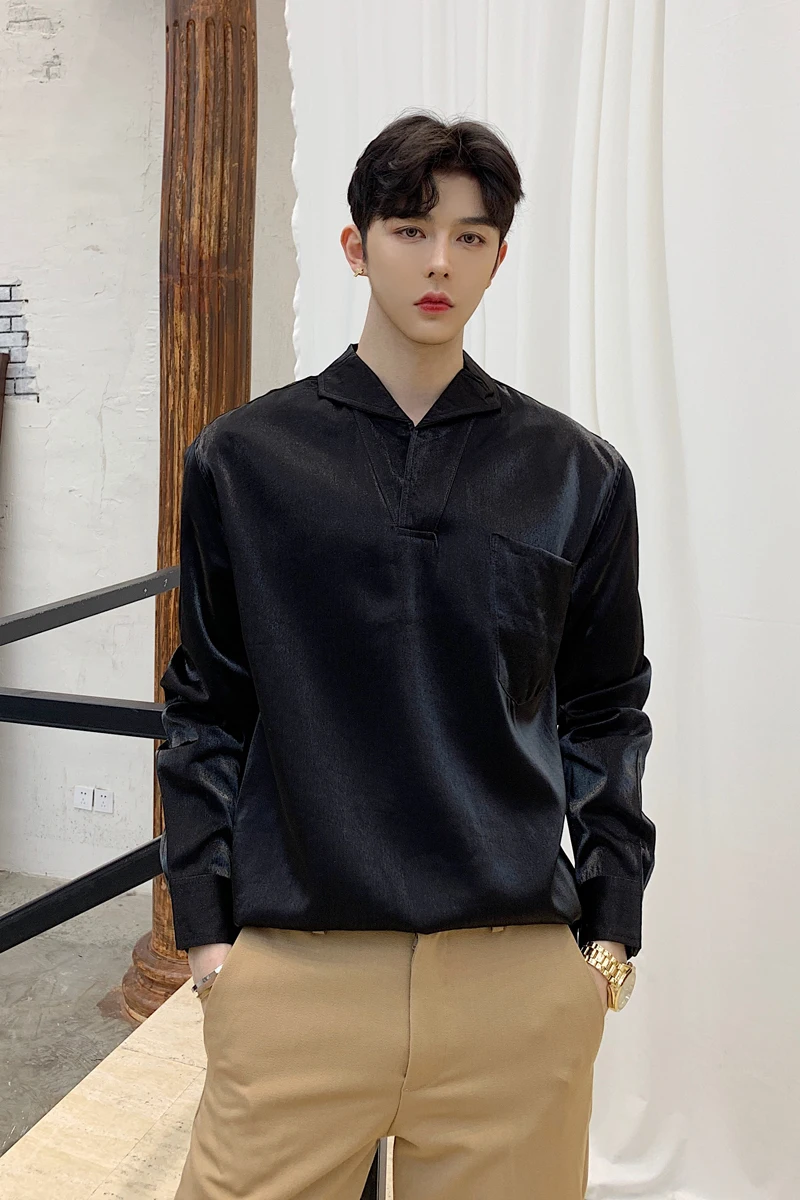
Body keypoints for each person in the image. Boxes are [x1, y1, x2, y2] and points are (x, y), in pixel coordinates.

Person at [156, 110, 656, 1200]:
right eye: (409, 228)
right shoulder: (244, 460)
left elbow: (606, 706)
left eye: (470, 237)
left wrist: (608, 931)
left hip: (511, 978)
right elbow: (207, 703)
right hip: (298, 973)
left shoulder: (575, 472)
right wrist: (208, 933)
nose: (439, 262)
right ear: (356, 245)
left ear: (498, 259)